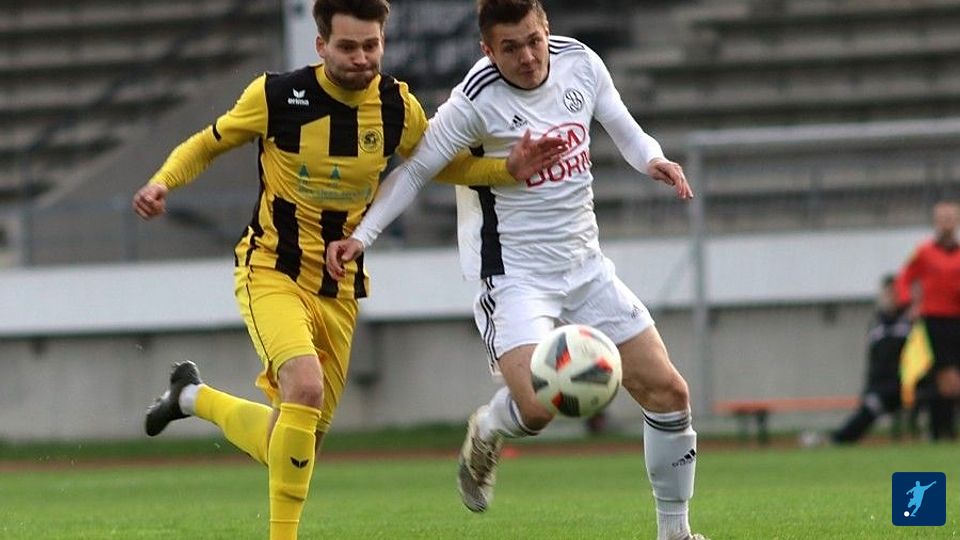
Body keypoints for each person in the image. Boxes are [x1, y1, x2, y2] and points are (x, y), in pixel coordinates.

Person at [131, 1, 565, 538]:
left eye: (371, 46)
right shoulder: (276, 96)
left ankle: (190, 396)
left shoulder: (396, 106)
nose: (362, 58)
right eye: (348, 47)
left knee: (293, 442)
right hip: (272, 269)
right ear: (321, 46)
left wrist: (506, 169)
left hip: (338, 288)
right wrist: (163, 182)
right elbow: (207, 143)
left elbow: (438, 164)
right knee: (305, 389)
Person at [325, 1, 706, 538]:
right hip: (514, 277)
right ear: (488, 50)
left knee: (670, 393)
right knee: (539, 407)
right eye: (510, 48)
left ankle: (676, 533)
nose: (527, 57)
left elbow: (623, 126)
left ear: (546, 29)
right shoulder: (473, 99)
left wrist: (653, 159)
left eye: (533, 40)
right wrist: (361, 237)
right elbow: (414, 172)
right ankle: (488, 427)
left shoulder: (580, 62)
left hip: (586, 268)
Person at [895, 200, 960, 441]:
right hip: (934, 320)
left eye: (951, 218)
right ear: (935, 222)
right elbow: (904, 278)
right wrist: (908, 304)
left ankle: (945, 430)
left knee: (953, 377)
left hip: (957, 319)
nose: (947, 223)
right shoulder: (923, 252)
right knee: (943, 375)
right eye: (942, 218)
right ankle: (941, 430)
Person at [831, 274, 911, 444]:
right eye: (888, 293)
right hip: (881, 385)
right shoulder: (877, 324)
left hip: (906, 384)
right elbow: (875, 360)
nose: (891, 297)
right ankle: (840, 440)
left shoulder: (910, 322)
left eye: (895, 293)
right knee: (870, 407)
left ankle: (840, 439)